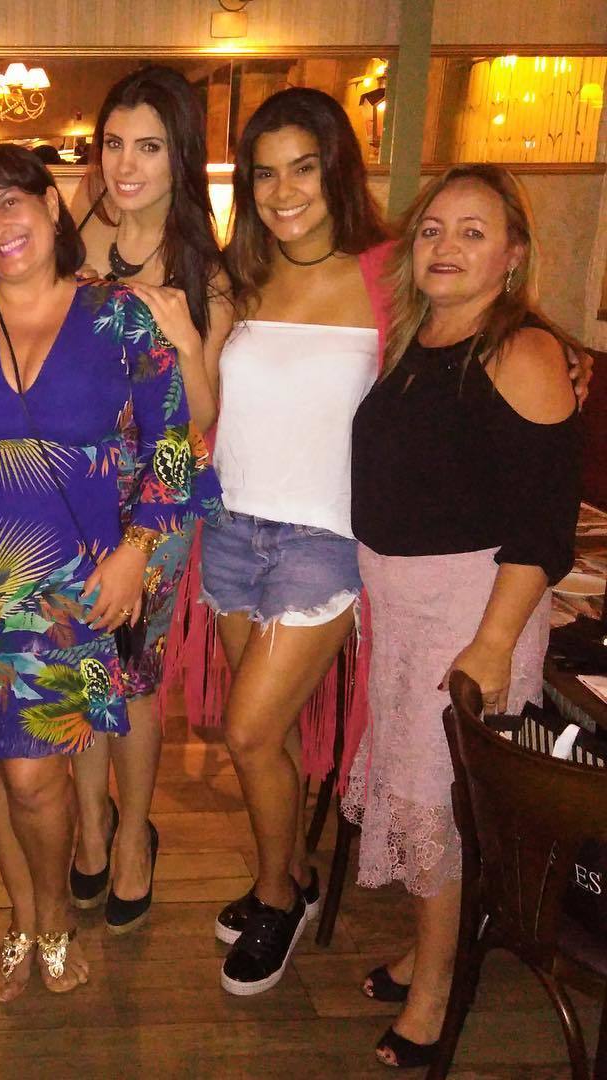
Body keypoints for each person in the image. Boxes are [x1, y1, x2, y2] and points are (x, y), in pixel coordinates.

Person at [0, 144, 219, 1000]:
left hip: (77, 582)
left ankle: (53, 918)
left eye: (11, 203)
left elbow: (173, 446)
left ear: (52, 206)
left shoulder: (120, 317)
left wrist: (137, 552)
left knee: (32, 771)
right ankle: (24, 920)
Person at [345, 164, 580, 1068]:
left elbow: (542, 531)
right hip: (405, 608)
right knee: (417, 793)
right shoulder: (422, 334)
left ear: (513, 255)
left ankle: (437, 993)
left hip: (469, 613)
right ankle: (427, 949)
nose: (446, 245)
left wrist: (489, 643)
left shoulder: (521, 352)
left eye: (474, 232)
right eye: (434, 229)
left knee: (436, 806)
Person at [203, 87, 392, 996]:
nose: (284, 192)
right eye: (265, 174)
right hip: (231, 525)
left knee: (249, 731)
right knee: (261, 737)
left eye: (303, 169)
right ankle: (295, 874)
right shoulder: (237, 276)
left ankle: (277, 897)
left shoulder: (390, 276)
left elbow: (469, 345)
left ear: (336, 170)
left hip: (325, 537)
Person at [67, 64, 233, 931]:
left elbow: (204, 418)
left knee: (130, 676)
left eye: (150, 147)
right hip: (66, 489)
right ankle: (89, 825)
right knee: (79, 665)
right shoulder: (71, 232)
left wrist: (184, 341)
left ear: (181, 157)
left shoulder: (207, 269)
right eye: (114, 144)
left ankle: (133, 833)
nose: (126, 164)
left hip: (155, 499)